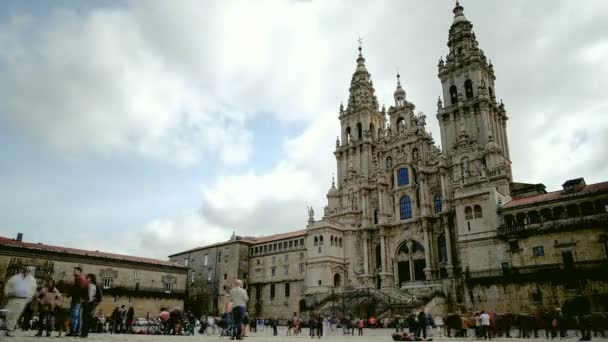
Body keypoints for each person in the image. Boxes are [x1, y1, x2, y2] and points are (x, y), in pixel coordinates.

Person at [2, 267, 37, 337]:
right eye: (25, 271)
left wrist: (29, 298)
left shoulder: (32, 280)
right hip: (13, 298)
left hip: (23, 299)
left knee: (16, 314)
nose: (26, 272)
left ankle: (10, 329)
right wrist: (7, 293)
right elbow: (8, 285)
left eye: (27, 271)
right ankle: (7, 327)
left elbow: (33, 289)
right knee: (9, 313)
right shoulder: (15, 277)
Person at [68, 267, 89, 336]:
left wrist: (70, 295)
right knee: (79, 317)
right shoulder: (83, 279)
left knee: (74, 316)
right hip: (81, 300)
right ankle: (77, 331)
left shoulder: (79, 279)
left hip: (77, 299)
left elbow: (78, 290)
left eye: (75, 271)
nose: (73, 272)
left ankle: (73, 331)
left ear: (79, 272)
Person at [80, 273, 98, 338]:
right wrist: (82, 300)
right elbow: (82, 294)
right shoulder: (85, 286)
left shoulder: (95, 286)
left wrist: (95, 303)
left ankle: (85, 333)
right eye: (87, 278)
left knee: (88, 319)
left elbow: (99, 296)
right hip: (85, 303)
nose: (87, 279)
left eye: (88, 278)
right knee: (84, 319)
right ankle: (83, 333)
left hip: (91, 304)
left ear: (92, 279)